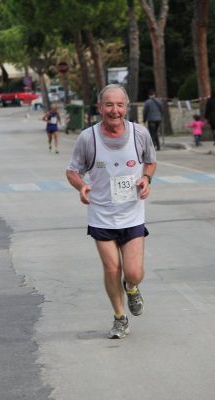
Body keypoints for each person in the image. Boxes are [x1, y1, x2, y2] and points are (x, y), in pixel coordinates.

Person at [66, 84, 157, 339]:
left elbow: (150, 161)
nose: (114, 110)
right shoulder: (88, 137)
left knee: (134, 272)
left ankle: (132, 287)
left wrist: (146, 179)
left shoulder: (140, 134)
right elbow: (72, 170)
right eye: (109, 105)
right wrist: (82, 186)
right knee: (111, 269)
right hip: (102, 214)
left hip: (132, 213)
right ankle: (120, 318)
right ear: (99, 107)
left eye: (119, 105)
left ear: (126, 108)